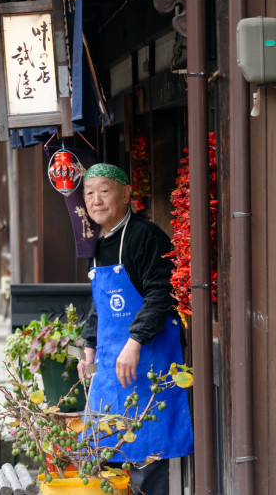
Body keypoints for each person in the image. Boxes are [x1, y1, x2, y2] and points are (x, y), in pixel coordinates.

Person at [77, 163, 192, 495]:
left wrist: (136, 341)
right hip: (112, 367)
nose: (96, 200)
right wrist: (90, 347)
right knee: (105, 453)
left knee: (145, 455)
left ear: (126, 193)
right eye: (89, 193)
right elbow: (99, 301)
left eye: (104, 190)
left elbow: (162, 292)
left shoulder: (146, 236)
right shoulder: (95, 244)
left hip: (148, 362)